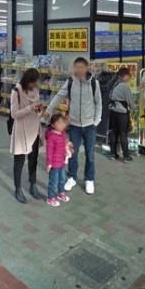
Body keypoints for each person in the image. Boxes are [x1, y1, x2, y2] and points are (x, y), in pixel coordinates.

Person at [46, 57, 102, 195]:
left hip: (89, 125)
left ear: (87, 68)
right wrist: (48, 110)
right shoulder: (70, 82)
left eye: (82, 67)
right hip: (75, 125)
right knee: (72, 153)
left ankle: (89, 179)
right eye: (77, 67)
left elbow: (98, 103)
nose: (79, 70)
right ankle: (71, 177)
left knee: (90, 154)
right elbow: (59, 96)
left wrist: (96, 121)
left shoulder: (94, 83)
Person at [10, 68, 45, 204]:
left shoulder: (35, 90)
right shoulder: (16, 91)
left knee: (33, 159)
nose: (35, 85)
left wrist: (39, 109)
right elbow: (14, 114)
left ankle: (33, 185)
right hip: (22, 131)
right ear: (27, 80)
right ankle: (18, 189)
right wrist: (30, 108)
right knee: (19, 161)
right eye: (33, 83)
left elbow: (37, 112)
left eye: (36, 83)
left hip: (34, 129)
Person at [45, 113, 72, 207]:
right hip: (54, 164)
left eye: (63, 123)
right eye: (59, 123)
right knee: (53, 181)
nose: (62, 125)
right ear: (53, 125)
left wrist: (69, 147)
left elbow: (65, 143)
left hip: (62, 162)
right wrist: (49, 163)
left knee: (62, 179)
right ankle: (50, 197)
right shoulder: (51, 137)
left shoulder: (63, 133)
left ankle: (61, 193)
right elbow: (49, 151)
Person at [108, 67, 135, 162]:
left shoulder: (114, 83)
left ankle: (113, 154)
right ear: (125, 76)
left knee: (113, 132)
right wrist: (133, 107)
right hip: (121, 113)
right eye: (129, 76)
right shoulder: (124, 86)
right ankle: (126, 156)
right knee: (123, 133)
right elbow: (131, 102)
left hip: (112, 111)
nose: (129, 78)